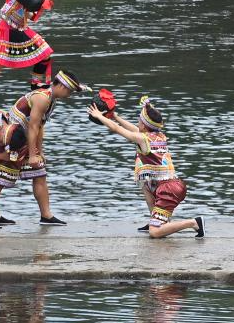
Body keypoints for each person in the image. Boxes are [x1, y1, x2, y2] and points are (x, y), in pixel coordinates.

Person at [0, 70, 89, 227]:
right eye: (70, 91)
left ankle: (46, 215)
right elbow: (32, 126)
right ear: (62, 87)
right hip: (13, 138)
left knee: (40, 174)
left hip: (25, 137)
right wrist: (32, 155)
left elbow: (39, 126)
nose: (70, 95)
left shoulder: (51, 99)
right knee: (2, 178)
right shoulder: (42, 98)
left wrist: (40, 151)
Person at [87, 95, 204, 238]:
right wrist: (115, 116)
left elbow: (117, 130)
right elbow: (133, 129)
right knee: (145, 183)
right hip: (168, 185)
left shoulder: (143, 138)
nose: (138, 123)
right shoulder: (157, 135)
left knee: (154, 233)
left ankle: (194, 223)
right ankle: (155, 220)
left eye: (139, 121)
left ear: (144, 125)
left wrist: (100, 116)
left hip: (169, 189)